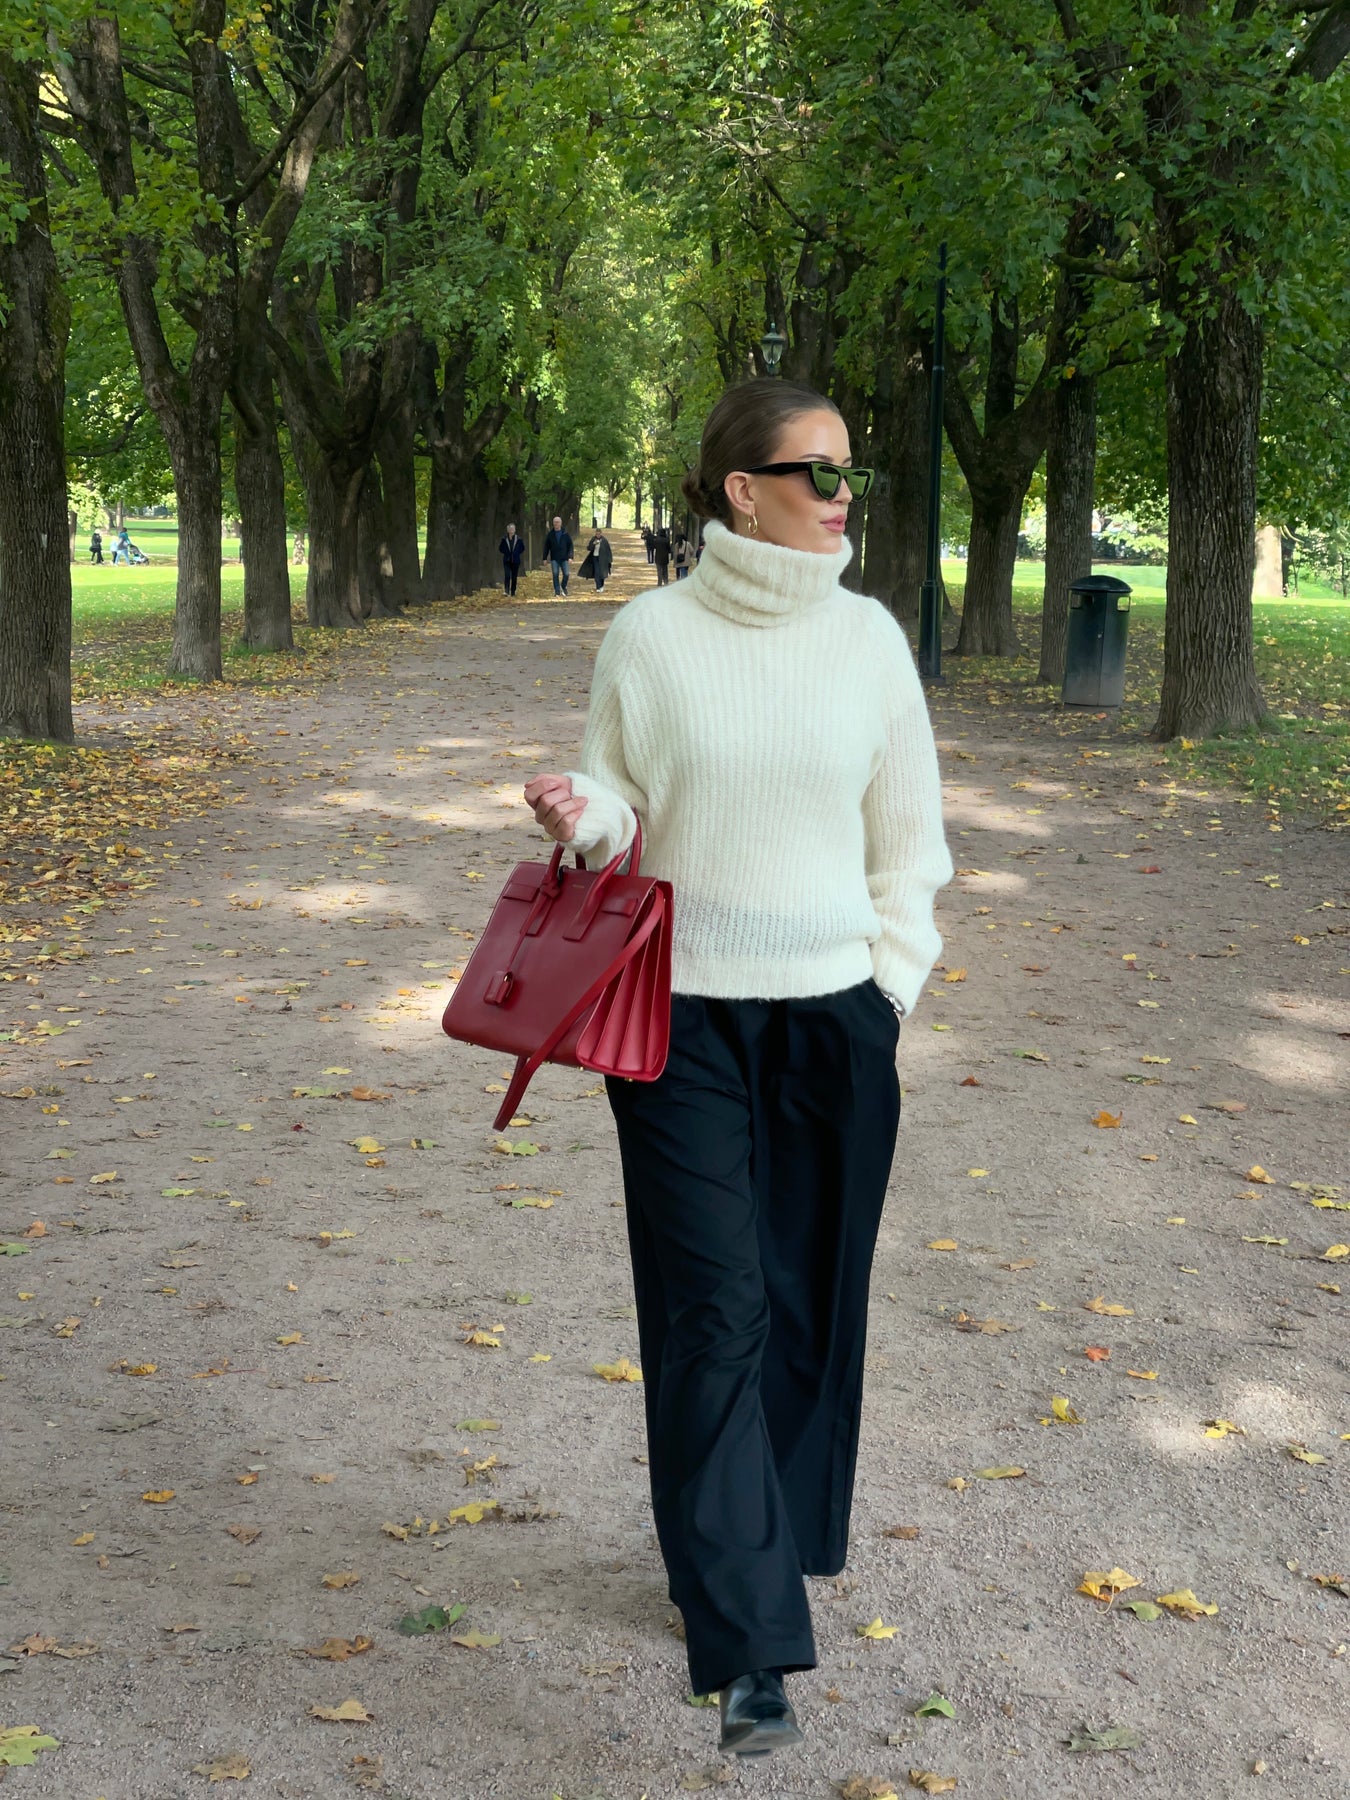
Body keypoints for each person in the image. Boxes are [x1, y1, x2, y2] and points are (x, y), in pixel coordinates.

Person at [522, 378, 952, 1760]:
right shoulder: (648, 636)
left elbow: (910, 843)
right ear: (739, 491)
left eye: (847, 470)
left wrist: (887, 989)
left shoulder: (871, 642)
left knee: (808, 1294)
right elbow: (620, 803)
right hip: (679, 1019)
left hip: (835, 1014)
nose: (842, 495)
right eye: (814, 472)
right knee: (712, 1308)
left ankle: (773, 1531)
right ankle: (748, 1637)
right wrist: (583, 815)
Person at [543, 515, 573, 595]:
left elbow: (570, 546)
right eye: (554, 522)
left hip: (564, 558)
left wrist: (570, 557)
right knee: (555, 574)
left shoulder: (565, 534)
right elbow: (546, 546)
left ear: (560, 523)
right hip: (554, 558)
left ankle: (563, 586)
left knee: (566, 574)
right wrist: (544, 558)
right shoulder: (550, 534)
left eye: (557, 522)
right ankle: (557, 591)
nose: (556, 524)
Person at [499, 522, 525, 595]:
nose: (511, 530)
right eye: (510, 529)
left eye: (512, 529)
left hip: (515, 561)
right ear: (508, 530)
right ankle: (506, 590)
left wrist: (516, 553)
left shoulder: (519, 539)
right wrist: (506, 552)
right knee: (507, 575)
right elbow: (500, 548)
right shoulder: (504, 539)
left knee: (514, 576)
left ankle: (513, 591)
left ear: (514, 530)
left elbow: (522, 548)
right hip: (507, 560)